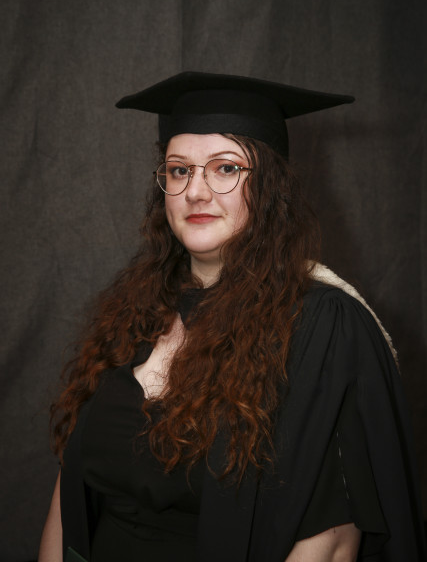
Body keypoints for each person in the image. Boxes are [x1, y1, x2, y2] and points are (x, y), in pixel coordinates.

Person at [39, 72, 426, 562]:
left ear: (269, 187)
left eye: (225, 168)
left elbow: (330, 539)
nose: (196, 191)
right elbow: (71, 485)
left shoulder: (319, 325)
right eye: (179, 170)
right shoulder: (134, 313)